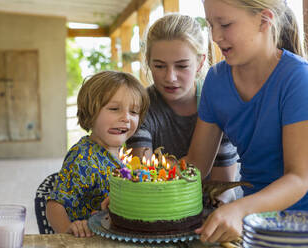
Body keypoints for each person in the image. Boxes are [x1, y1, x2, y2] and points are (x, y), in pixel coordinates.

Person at [185, 0, 308, 243]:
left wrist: (240, 209)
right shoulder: (216, 80)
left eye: (225, 24)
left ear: (264, 20)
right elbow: (195, 165)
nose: (215, 36)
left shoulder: (298, 79)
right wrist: (138, 187)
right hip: (252, 228)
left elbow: (299, 178)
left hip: (298, 227)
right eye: (210, 24)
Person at [126, 13, 239, 202]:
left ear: (200, 62)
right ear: (148, 62)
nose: (170, 77)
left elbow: (222, 187)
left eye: (181, 66)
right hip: (157, 204)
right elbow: (143, 176)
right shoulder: (141, 106)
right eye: (160, 66)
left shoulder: (218, 101)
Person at [46, 71, 149, 238]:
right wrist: (68, 231)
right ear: (90, 112)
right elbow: (54, 204)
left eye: (134, 112)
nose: (126, 118)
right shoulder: (83, 156)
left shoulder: (124, 156)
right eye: (114, 109)